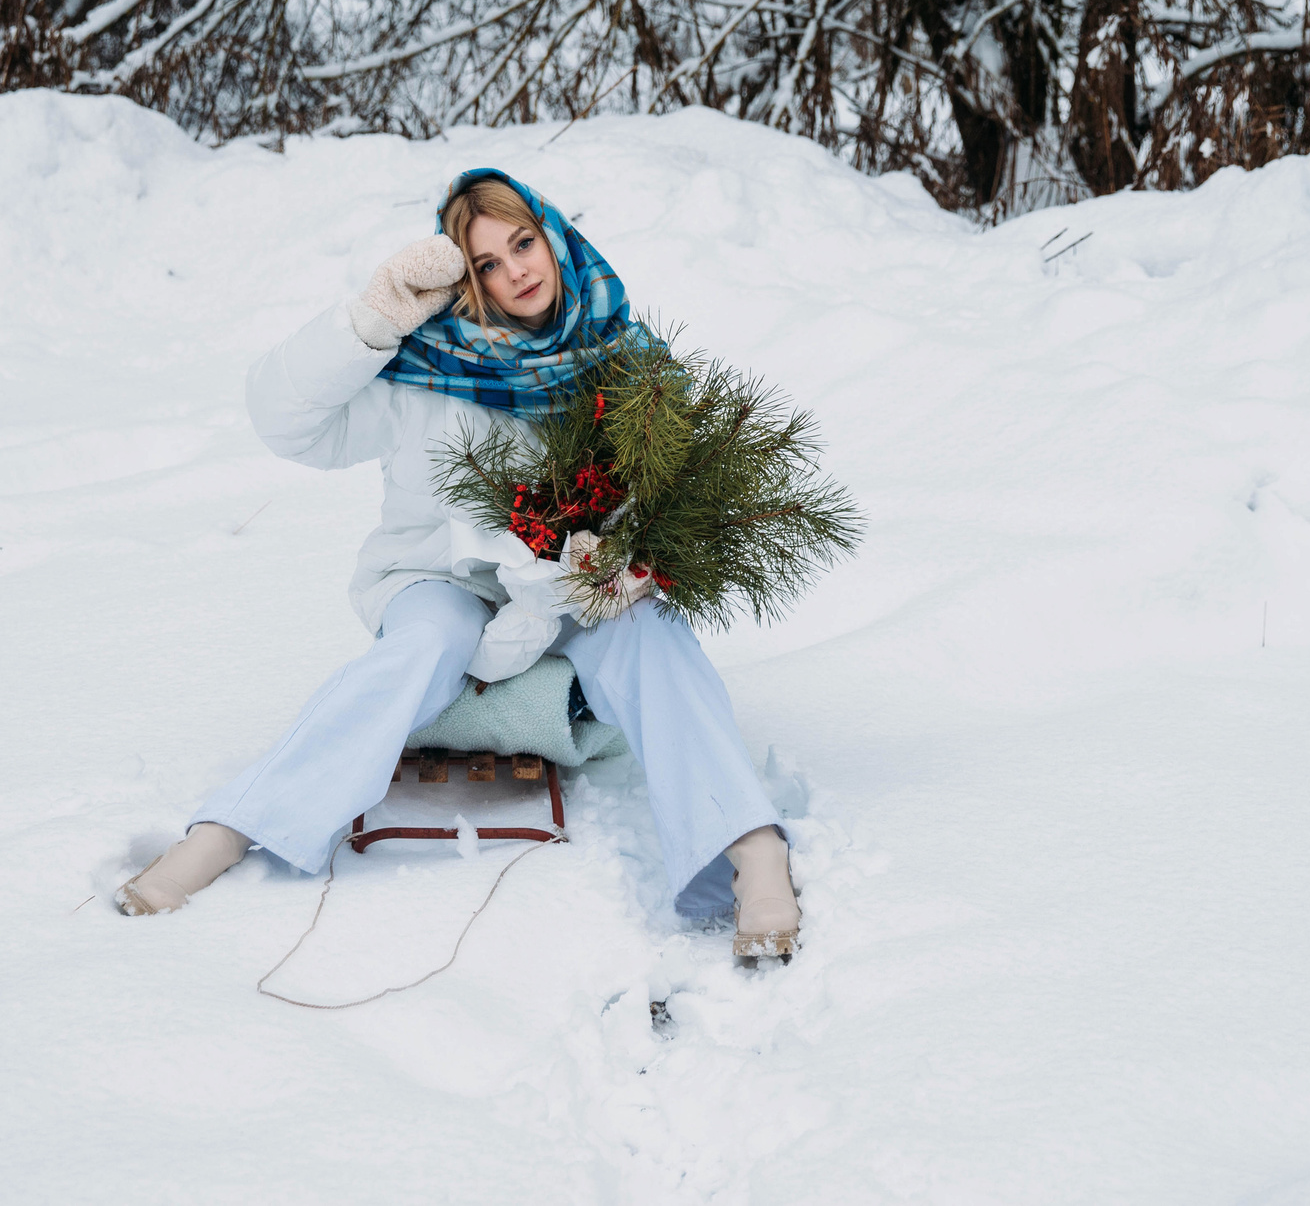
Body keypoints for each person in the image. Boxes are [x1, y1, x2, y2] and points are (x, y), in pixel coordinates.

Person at [115, 167, 802, 958]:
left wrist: (625, 552)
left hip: (573, 589)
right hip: (437, 577)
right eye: (487, 263)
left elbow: (676, 482)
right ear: (466, 279)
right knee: (427, 641)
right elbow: (285, 422)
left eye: (523, 243)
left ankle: (750, 850)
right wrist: (370, 321)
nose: (517, 271)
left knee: (654, 635)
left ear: (552, 238)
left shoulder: (621, 361)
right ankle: (229, 830)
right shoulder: (427, 364)